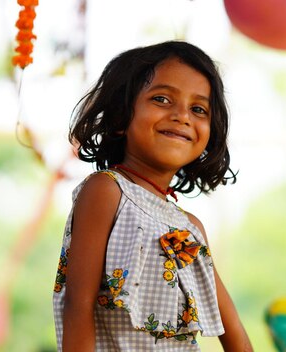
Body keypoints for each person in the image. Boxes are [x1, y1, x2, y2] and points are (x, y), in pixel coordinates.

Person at [53, 41, 252, 351]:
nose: (182, 116)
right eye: (162, 99)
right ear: (120, 117)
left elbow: (232, 327)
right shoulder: (106, 190)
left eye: (198, 109)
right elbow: (78, 305)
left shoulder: (191, 228)